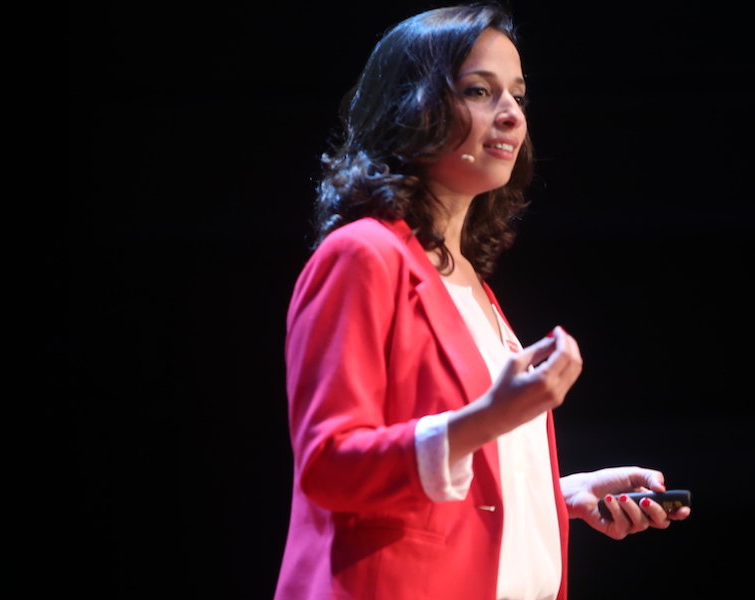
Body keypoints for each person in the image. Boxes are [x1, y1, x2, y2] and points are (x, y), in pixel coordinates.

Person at [274, 4, 690, 600]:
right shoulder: (362, 255)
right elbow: (328, 464)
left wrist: (555, 495)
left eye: (518, 95)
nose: (511, 116)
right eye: (479, 91)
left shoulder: (471, 282)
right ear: (411, 108)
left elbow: (457, 469)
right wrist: (487, 418)